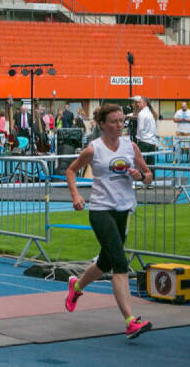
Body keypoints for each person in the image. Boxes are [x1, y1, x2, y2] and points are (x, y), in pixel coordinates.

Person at [63, 103, 153, 339]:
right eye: (114, 121)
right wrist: (76, 195)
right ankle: (130, 321)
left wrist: (140, 175)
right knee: (120, 263)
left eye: (121, 121)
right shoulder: (93, 149)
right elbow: (71, 170)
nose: (119, 125)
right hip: (101, 210)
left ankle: (77, 287)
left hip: (123, 209)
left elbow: (149, 177)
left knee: (104, 262)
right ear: (102, 124)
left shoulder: (130, 146)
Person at [131, 95, 158, 166]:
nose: (137, 104)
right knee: (151, 163)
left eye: (139, 102)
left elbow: (140, 128)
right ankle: (152, 176)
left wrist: (138, 139)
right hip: (151, 142)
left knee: (140, 163)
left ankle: (141, 176)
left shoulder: (142, 114)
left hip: (143, 142)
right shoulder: (151, 113)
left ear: (145, 103)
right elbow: (155, 128)